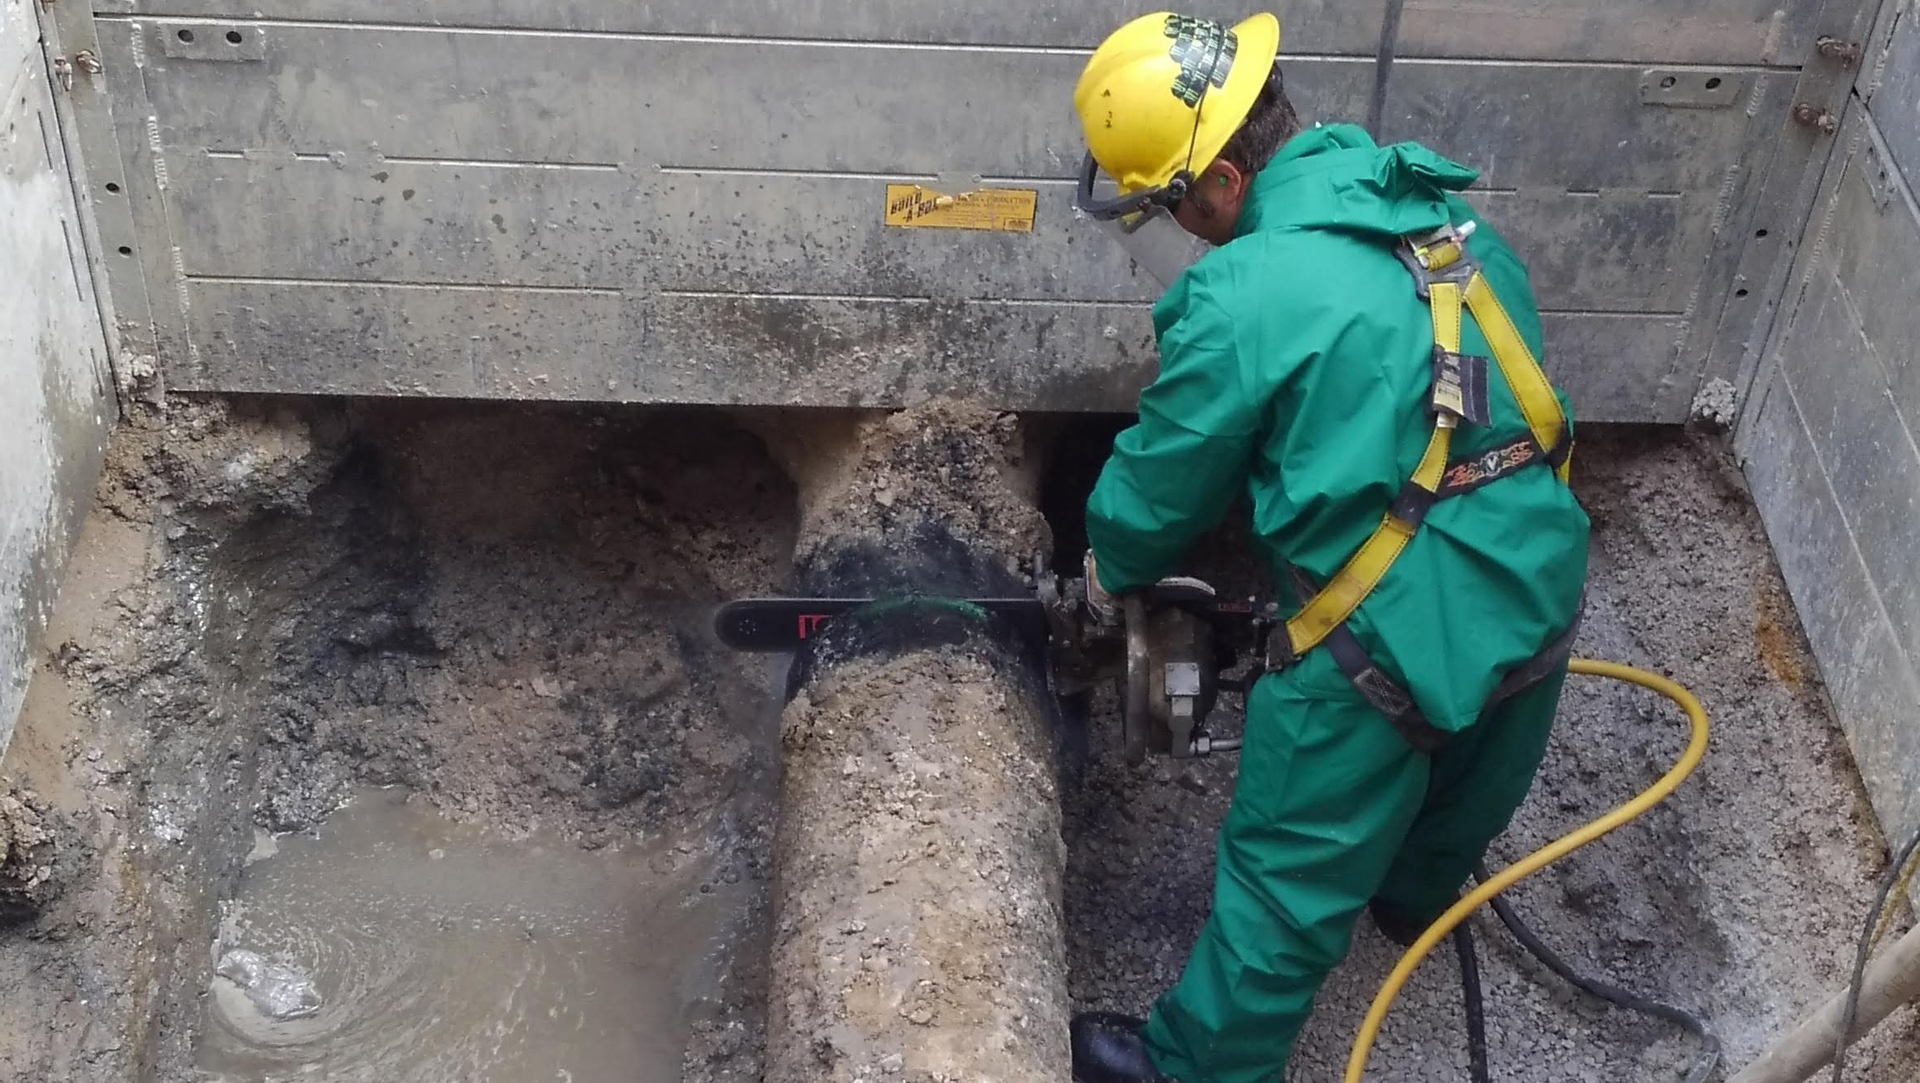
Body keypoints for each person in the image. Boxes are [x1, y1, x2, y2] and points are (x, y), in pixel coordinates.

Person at [1067, 11, 1591, 1083]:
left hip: (1387, 636)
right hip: (1539, 573)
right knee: (1468, 778)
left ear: (1217, 179)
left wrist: (1099, 576)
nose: (1180, 226)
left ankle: (1194, 1067)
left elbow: (1162, 484)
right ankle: (1408, 901)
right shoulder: (1448, 223)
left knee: (1284, 873)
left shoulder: (1239, 295)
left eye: (1172, 203)